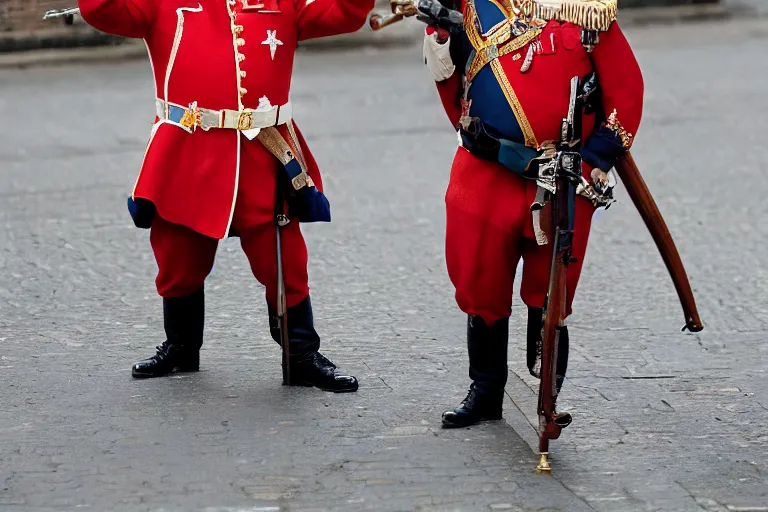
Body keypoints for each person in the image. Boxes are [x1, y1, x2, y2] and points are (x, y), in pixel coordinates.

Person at [76, 0, 375, 391]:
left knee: (283, 259)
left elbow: (346, 12)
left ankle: (300, 353)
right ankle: (181, 346)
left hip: (263, 152)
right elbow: (101, 10)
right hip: (187, 150)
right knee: (177, 255)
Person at [417, 0, 644, 426]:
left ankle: (548, 390)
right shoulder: (471, 7)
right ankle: (485, 392)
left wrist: (592, 164)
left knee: (552, 290)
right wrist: (444, 34)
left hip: (563, 176)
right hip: (486, 173)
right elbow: (455, 90)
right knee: (480, 282)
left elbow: (627, 94)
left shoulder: (586, 10)